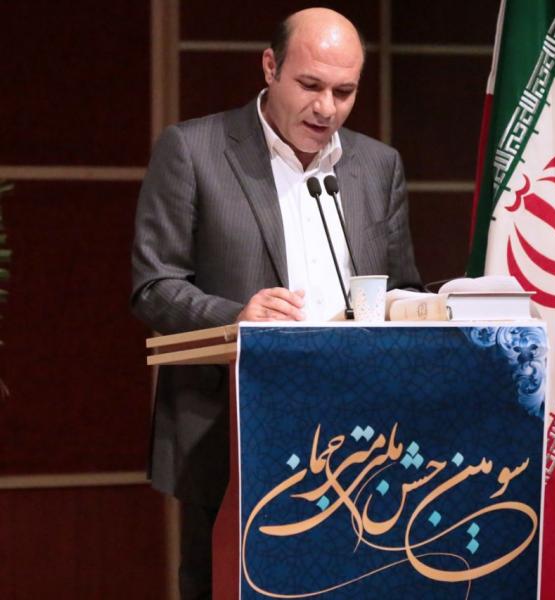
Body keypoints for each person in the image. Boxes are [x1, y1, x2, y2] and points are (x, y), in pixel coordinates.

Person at [130, 8, 421, 598]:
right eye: (310, 85)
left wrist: (420, 310)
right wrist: (236, 317)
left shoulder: (377, 165)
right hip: (233, 433)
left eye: (344, 92)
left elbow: (403, 289)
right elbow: (153, 286)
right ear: (270, 67)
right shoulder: (194, 150)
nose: (326, 108)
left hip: (360, 441)